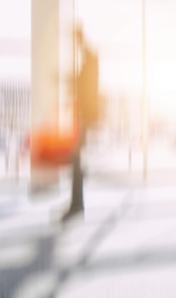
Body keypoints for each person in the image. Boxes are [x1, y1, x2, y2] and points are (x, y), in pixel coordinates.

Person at [61, 25, 100, 223]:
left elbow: (90, 54)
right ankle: (76, 204)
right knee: (75, 160)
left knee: (76, 160)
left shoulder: (91, 60)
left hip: (84, 117)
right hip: (81, 116)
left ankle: (76, 205)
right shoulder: (88, 65)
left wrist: (81, 38)